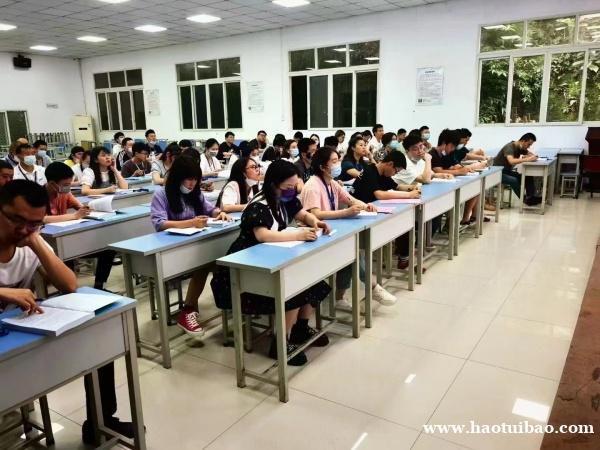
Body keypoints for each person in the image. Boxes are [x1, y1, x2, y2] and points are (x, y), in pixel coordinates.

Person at [0, 181, 131, 445]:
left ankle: (100, 422)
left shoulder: (28, 240)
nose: (23, 229)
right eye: (16, 220)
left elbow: (69, 284)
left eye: (34, 224)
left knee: (97, 338)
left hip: (18, 335)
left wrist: (35, 241)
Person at [211, 160, 331, 366]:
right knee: (294, 292)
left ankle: (300, 329)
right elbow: (263, 235)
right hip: (245, 269)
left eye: (294, 186)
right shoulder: (258, 205)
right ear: (274, 184)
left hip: (271, 260)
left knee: (313, 282)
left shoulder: (284, 197)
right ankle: (280, 342)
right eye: (288, 186)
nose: (292, 190)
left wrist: (315, 221)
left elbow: (301, 213)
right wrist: (298, 235)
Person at [300, 147, 396, 308]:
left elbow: (350, 199)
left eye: (338, 160)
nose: (338, 164)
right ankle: (373, 287)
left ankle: (341, 298)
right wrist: (345, 212)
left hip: (331, 232)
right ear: (322, 166)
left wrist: (366, 206)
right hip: (316, 237)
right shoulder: (312, 186)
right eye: (334, 161)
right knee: (352, 252)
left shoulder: (331, 182)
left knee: (351, 251)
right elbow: (316, 214)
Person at [150, 156, 230, 335]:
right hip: (172, 248)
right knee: (205, 265)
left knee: (220, 262)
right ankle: (188, 310)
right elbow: (160, 223)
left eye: (195, 179)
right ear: (178, 177)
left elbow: (210, 209)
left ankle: (222, 303)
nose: (192, 183)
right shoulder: (161, 194)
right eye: (188, 179)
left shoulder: (195, 193)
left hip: (194, 245)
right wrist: (191, 223)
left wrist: (219, 213)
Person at [430, 129, 483, 225]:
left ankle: (461, 220)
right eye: (452, 146)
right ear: (444, 143)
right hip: (436, 190)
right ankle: (451, 224)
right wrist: (459, 171)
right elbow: (438, 171)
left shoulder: (445, 154)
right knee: (455, 199)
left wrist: (461, 168)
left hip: (446, 186)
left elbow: (451, 166)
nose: (453, 149)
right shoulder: (432, 154)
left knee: (474, 190)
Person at [352, 151, 420, 204]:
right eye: (396, 171)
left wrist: (412, 187)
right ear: (390, 164)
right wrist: (409, 195)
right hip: (359, 208)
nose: (394, 174)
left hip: (370, 206)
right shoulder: (370, 171)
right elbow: (380, 195)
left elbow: (397, 187)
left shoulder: (384, 174)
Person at [493, 133, 540, 205]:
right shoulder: (509, 147)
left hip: (506, 171)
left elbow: (530, 154)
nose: (529, 147)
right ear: (523, 141)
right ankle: (525, 200)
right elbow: (511, 161)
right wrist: (527, 159)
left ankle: (531, 197)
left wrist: (533, 157)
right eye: (528, 144)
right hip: (497, 173)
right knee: (513, 180)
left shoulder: (520, 147)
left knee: (527, 176)